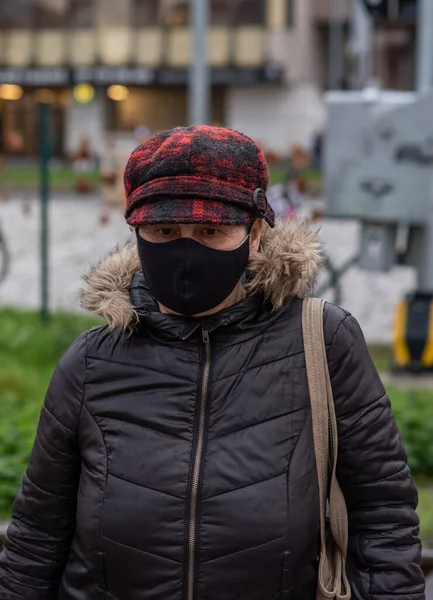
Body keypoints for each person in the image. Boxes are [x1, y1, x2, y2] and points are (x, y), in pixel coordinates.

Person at [0, 126, 425, 600]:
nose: (186, 250)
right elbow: (36, 540)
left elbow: (384, 520)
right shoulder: (92, 362)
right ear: (136, 235)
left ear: (256, 233)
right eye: (163, 231)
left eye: (211, 231)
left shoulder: (324, 344)